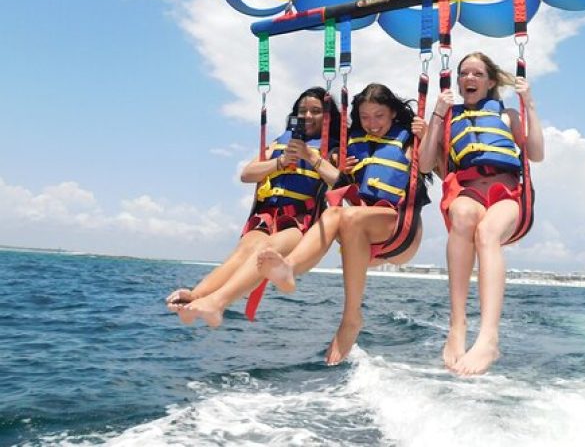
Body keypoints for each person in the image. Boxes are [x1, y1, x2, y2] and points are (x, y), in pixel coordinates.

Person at [258, 83, 429, 365]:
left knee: (342, 215)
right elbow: (338, 183)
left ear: (393, 115)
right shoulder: (352, 146)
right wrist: (344, 172)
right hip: (361, 236)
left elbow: (431, 167)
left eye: (379, 116)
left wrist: (429, 133)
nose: (372, 124)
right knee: (335, 213)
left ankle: (351, 318)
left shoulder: (410, 141)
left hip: (400, 231)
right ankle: (288, 269)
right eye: (365, 117)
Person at [165, 86, 342, 327]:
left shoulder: (331, 149)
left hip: (300, 221)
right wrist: (279, 162)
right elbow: (247, 174)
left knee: (267, 249)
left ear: (328, 116)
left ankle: (217, 303)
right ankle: (196, 296)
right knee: (244, 250)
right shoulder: (280, 143)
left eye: (315, 111)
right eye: (302, 111)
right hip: (267, 215)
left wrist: (310, 157)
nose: (308, 116)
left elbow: (340, 181)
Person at [418, 52, 544, 375]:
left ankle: (488, 337)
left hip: (507, 194)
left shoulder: (507, 115)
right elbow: (424, 163)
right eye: (464, 74)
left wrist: (529, 104)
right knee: (461, 215)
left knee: (487, 233)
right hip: (470, 191)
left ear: (489, 81)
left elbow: (537, 154)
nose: (469, 78)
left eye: (477, 73)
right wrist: (436, 114)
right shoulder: (448, 118)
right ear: (458, 82)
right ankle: (457, 326)